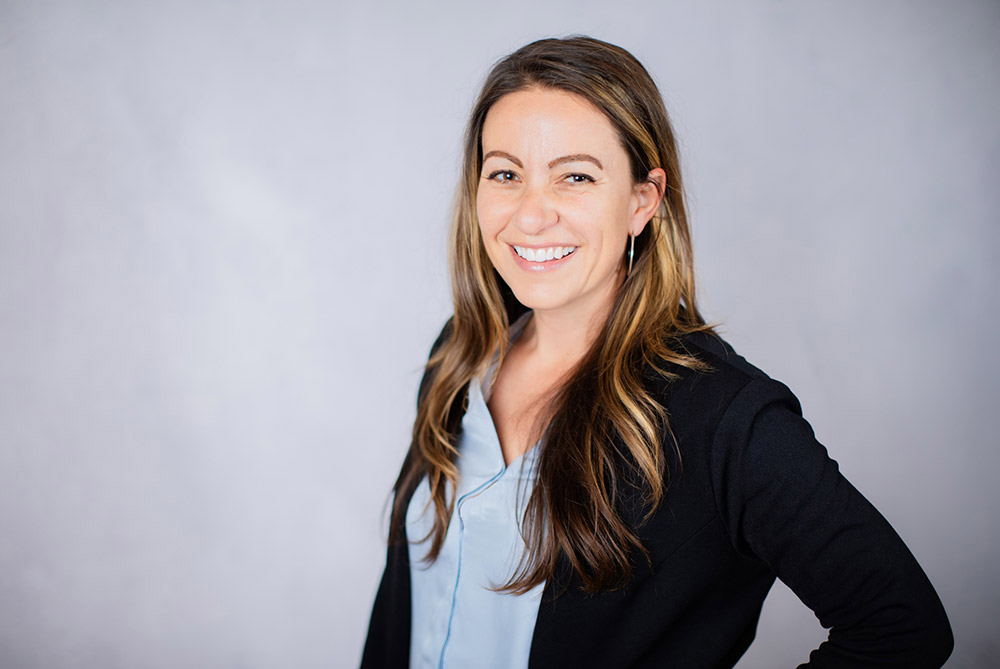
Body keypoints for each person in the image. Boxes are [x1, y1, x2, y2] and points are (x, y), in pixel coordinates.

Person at [361, 36, 953, 668]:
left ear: (642, 201)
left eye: (576, 177)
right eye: (505, 173)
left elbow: (900, 626)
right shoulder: (459, 357)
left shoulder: (723, 419)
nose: (531, 216)